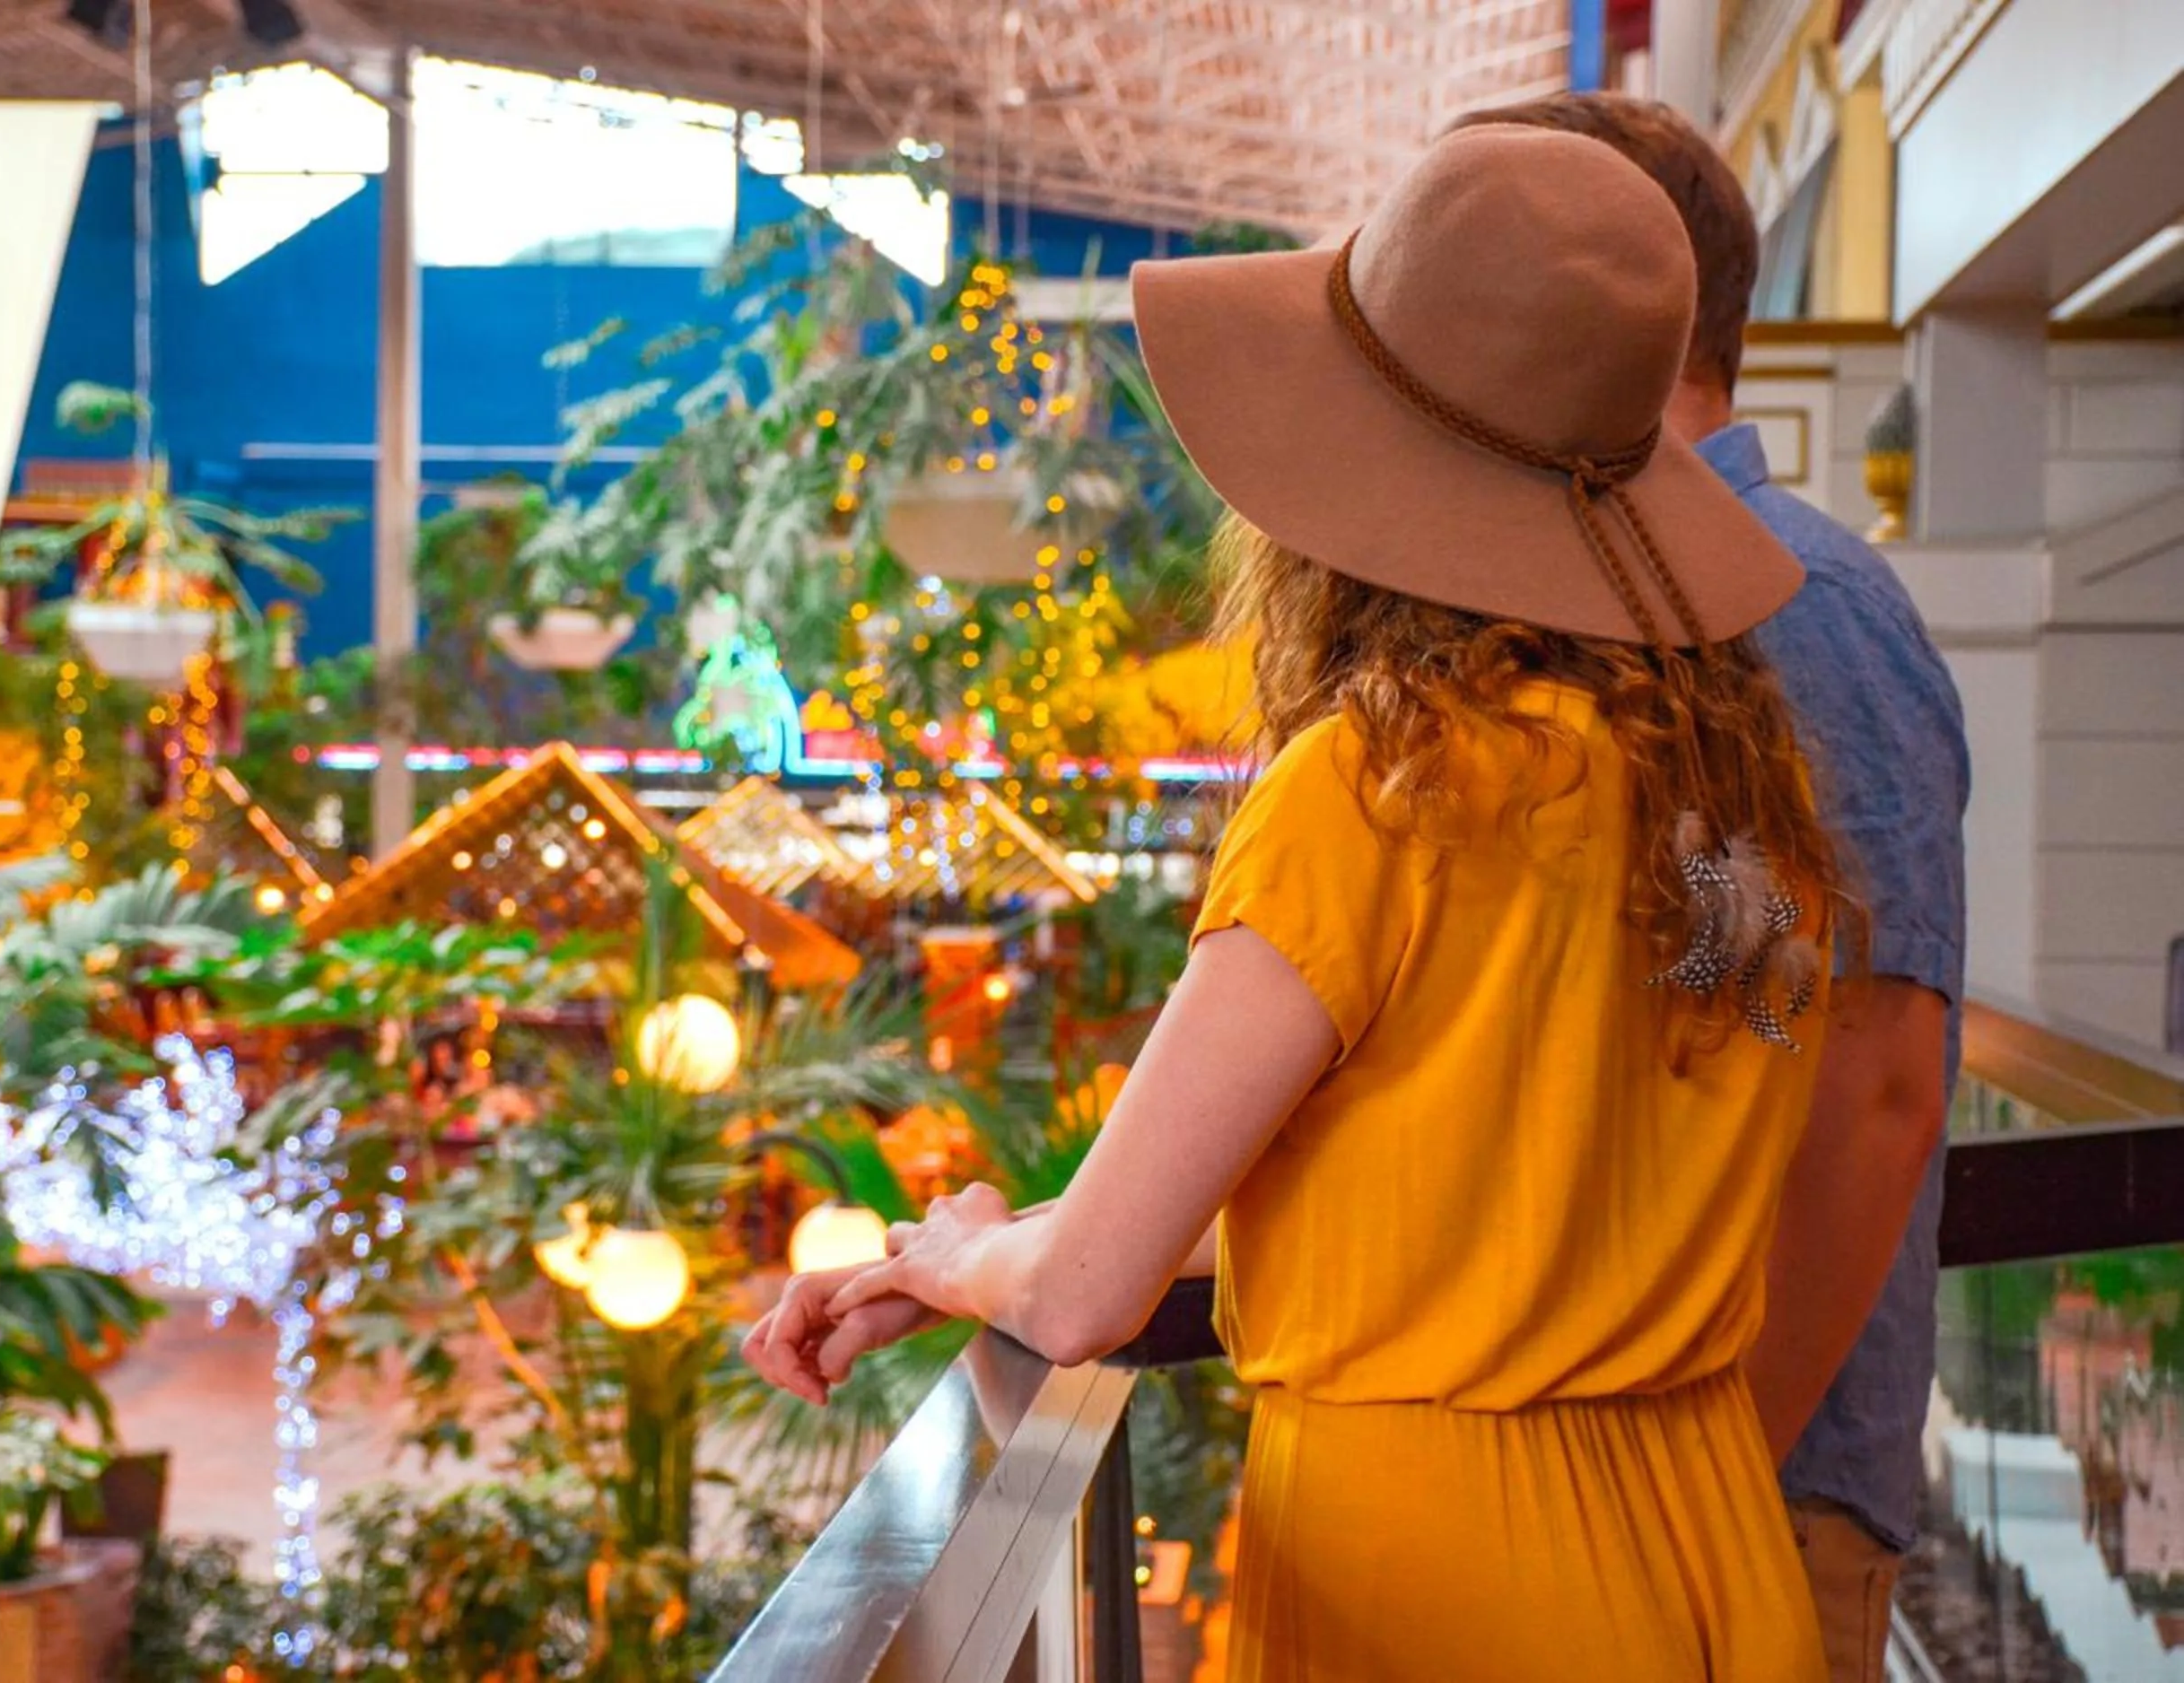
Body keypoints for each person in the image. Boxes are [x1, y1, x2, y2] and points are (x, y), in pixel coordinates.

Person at [748, 124, 1856, 1680]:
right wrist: (993, 1251)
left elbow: (1080, 1299)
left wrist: (969, 1258)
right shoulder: (1738, 798)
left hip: (1437, 1585)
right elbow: (1427, 1200)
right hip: (1709, 1539)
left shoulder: (1386, 787)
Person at [1451, 94, 1969, 1683]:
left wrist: (1701, 1489)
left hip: (1740, 1502)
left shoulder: (1787, 598)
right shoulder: (1636, 589)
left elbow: (1871, 1082)